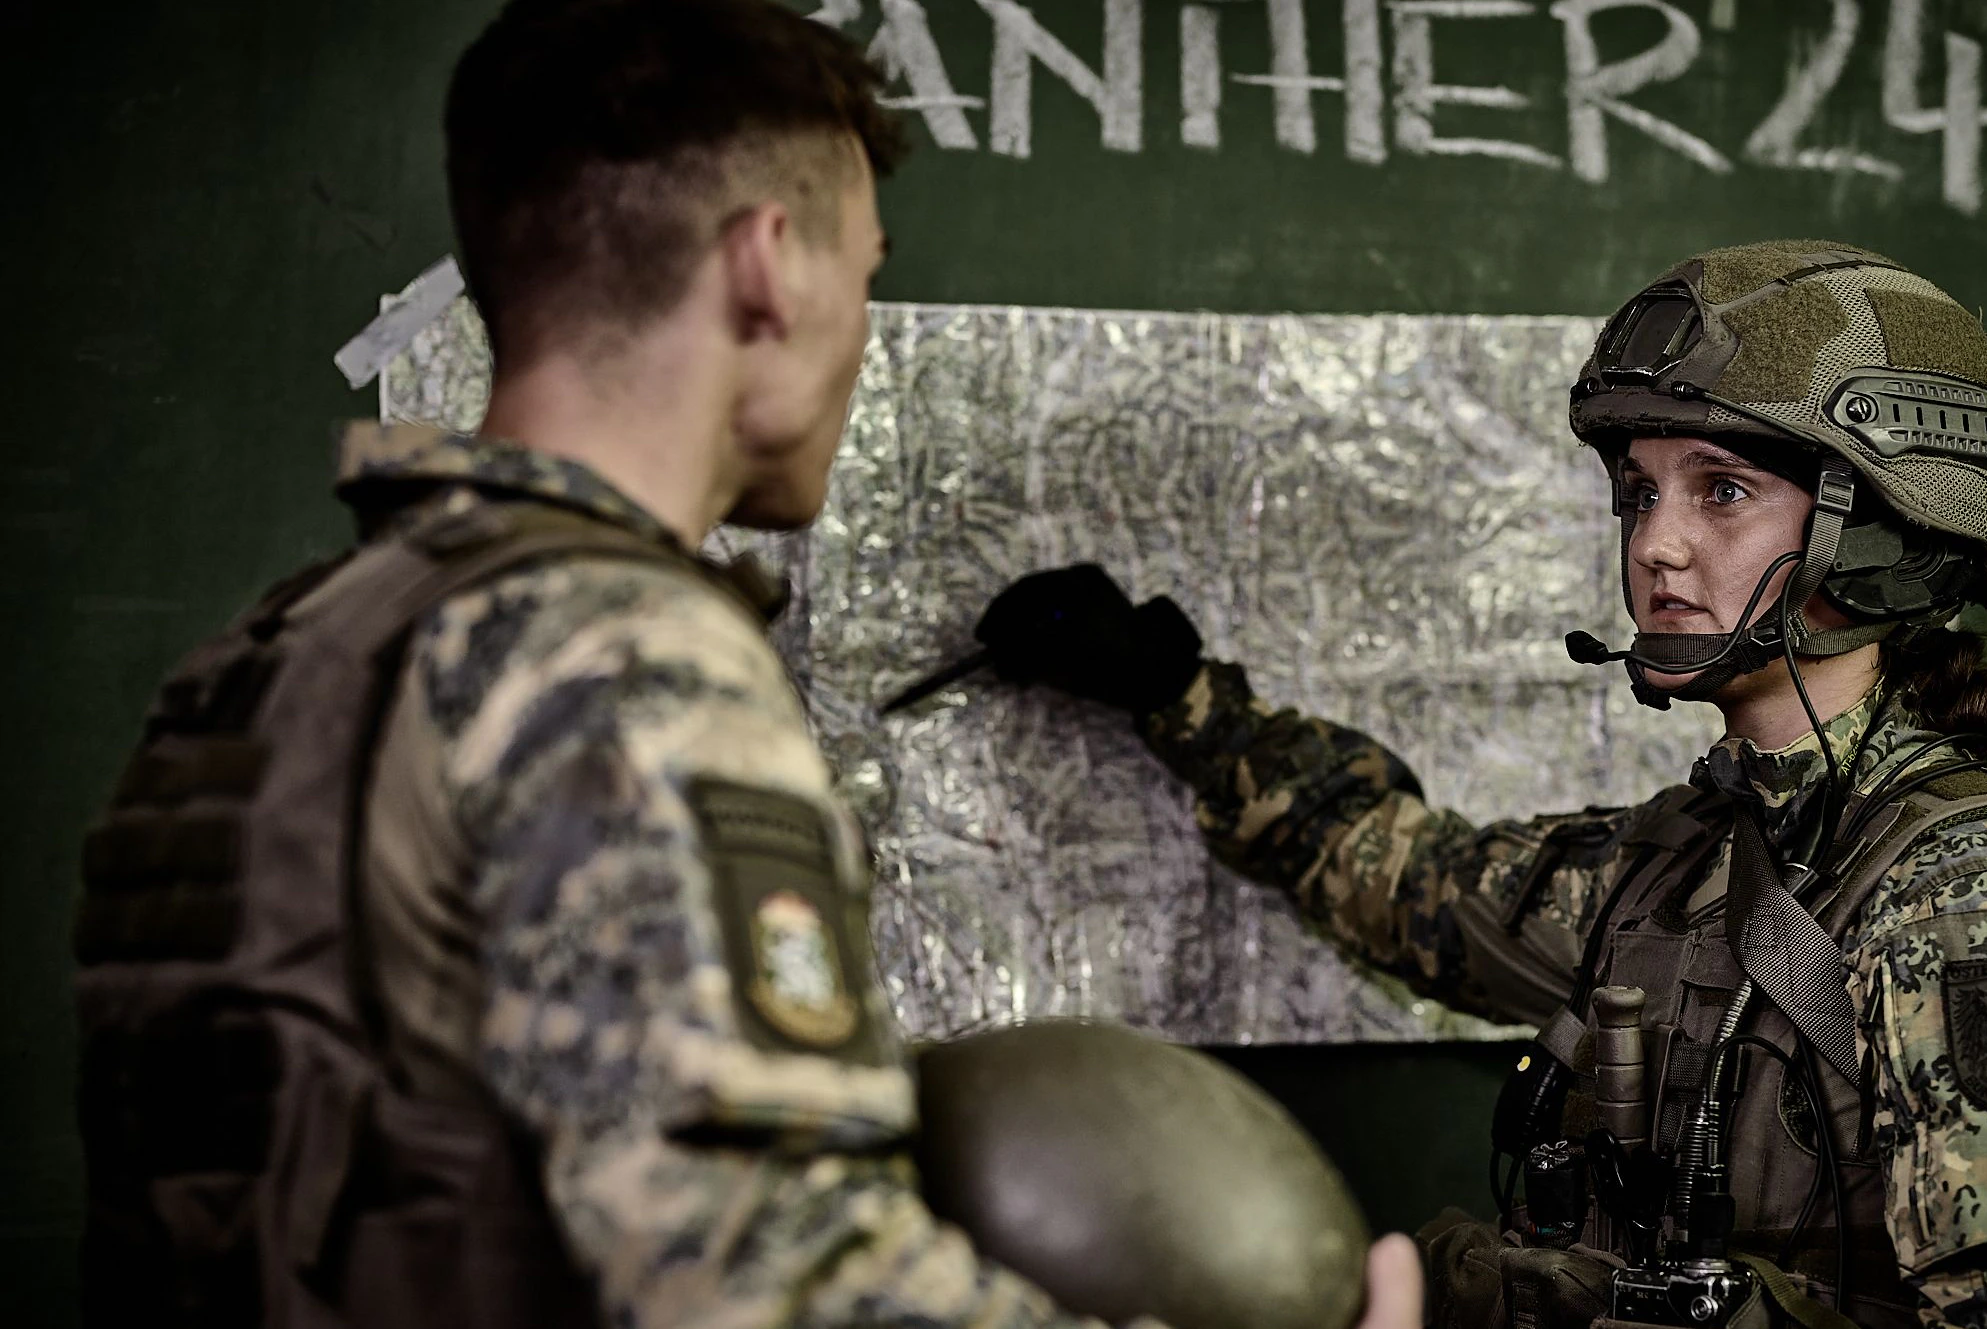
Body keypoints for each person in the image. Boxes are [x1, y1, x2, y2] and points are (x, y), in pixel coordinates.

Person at [69, 2, 1421, 1326]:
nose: (861, 330)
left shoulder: (276, 651)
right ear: (769, 267)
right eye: (867, 273)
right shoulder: (628, 659)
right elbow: (766, 1280)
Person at [976, 241, 1987, 1328]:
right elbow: (1403, 877)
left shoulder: (1975, 896)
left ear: (1888, 529)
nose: (1656, 545)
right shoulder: (1682, 860)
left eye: (1721, 491)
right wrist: (1172, 693)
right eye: (1638, 495)